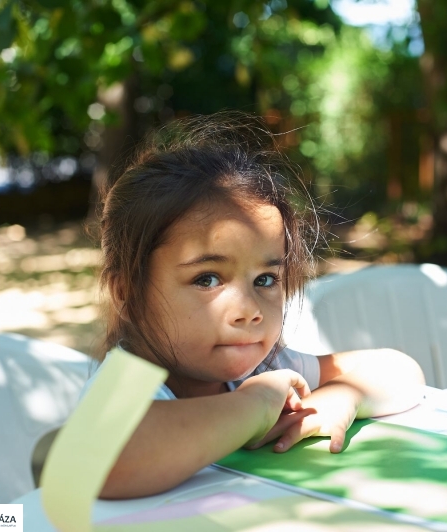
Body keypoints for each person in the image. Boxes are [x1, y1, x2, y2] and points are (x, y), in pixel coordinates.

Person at [86, 112, 425, 499]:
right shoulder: (125, 379)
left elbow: (402, 371)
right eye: (207, 279)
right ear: (127, 293)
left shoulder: (266, 367)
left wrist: (343, 394)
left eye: (265, 280)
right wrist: (254, 405)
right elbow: (102, 458)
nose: (249, 309)